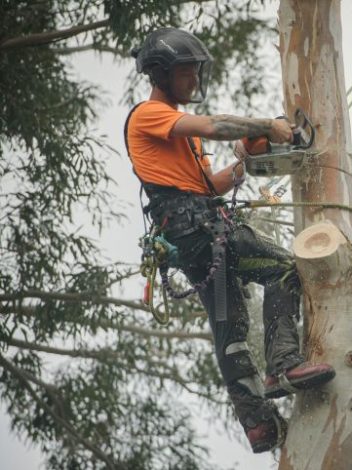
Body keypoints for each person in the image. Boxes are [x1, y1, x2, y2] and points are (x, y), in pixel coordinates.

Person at [125, 28, 335, 453]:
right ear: (162, 75)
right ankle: (283, 365)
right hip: (201, 230)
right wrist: (267, 126)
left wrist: (247, 159)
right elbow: (215, 123)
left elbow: (209, 186)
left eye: (195, 72)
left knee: (231, 326)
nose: (193, 81)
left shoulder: (181, 133)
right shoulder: (150, 114)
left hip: (193, 239)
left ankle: (259, 424)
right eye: (186, 73)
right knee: (286, 269)